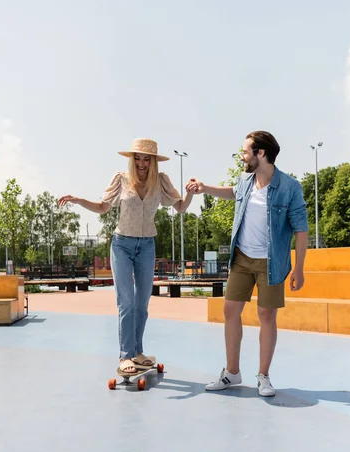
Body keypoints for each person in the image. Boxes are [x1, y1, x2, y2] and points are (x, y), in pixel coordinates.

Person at [186, 130, 308, 396]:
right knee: (230, 310)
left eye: (244, 152)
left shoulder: (289, 187)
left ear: (260, 153)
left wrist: (298, 268)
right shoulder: (245, 181)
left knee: (267, 315)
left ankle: (263, 376)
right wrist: (205, 188)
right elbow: (232, 192)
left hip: (271, 261)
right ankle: (232, 372)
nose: (241, 156)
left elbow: (301, 230)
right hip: (241, 258)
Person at [59, 138, 193, 376]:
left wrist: (189, 193)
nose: (141, 163)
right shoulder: (121, 179)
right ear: (132, 160)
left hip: (147, 245)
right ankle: (125, 356)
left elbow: (180, 207)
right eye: (138, 158)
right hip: (122, 245)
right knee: (127, 302)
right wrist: (79, 200)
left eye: (146, 159)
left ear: (153, 161)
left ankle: (138, 352)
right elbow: (103, 207)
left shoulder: (160, 182)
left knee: (142, 304)